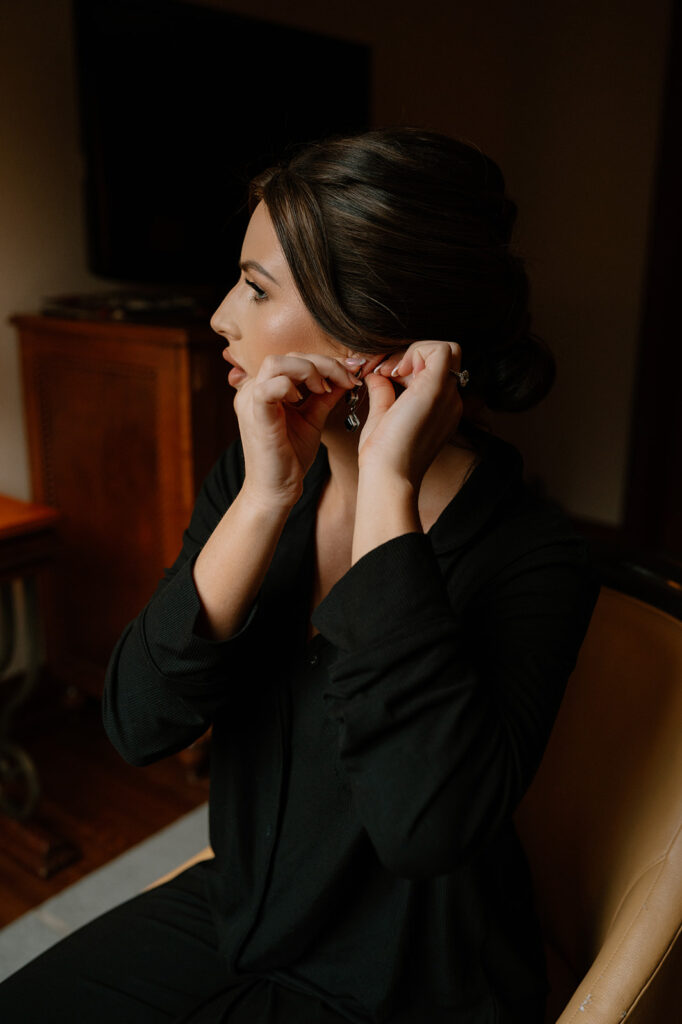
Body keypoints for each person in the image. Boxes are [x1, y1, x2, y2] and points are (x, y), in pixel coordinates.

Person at [0, 128, 598, 1023]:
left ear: (375, 332)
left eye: (255, 288)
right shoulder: (259, 475)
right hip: (243, 910)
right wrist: (262, 502)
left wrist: (387, 492)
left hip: (406, 983)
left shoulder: (536, 554)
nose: (219, 317)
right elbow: (134, 723)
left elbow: (425, 826)